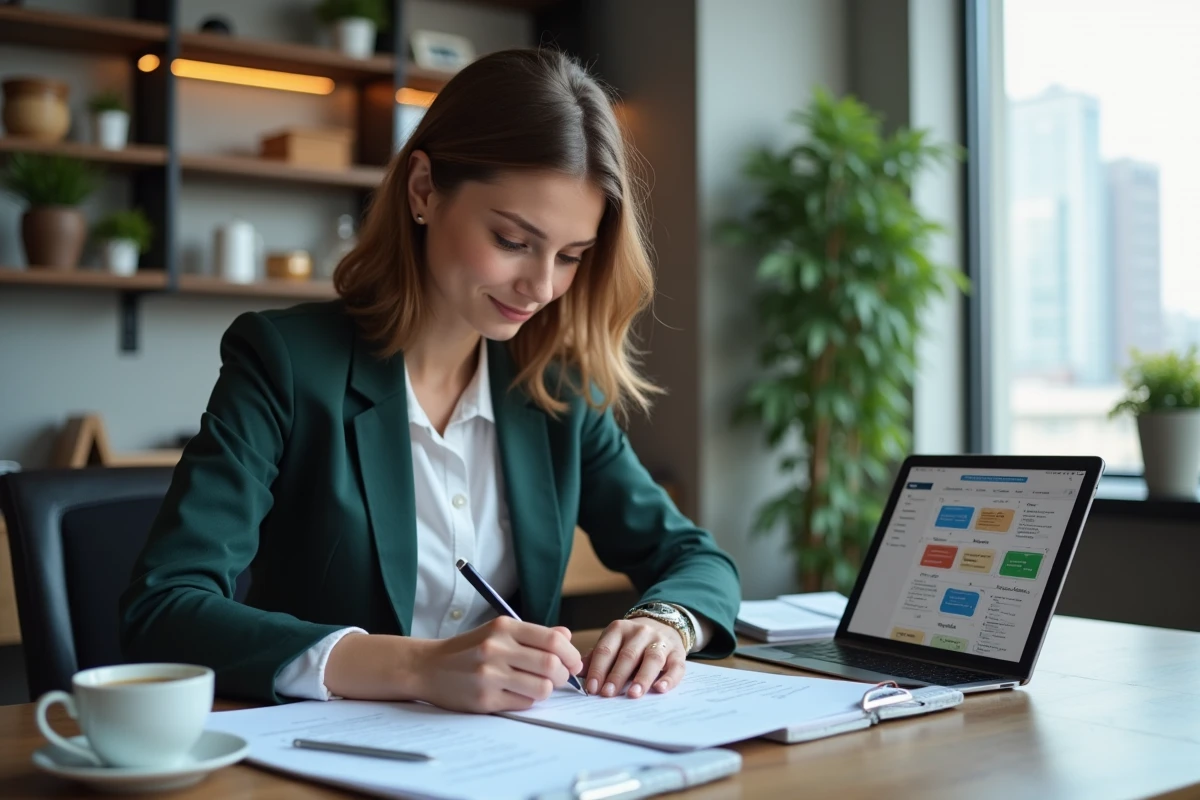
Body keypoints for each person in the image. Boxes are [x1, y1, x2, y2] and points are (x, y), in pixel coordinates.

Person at [119, 48, 740, 712]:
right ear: (423, 189)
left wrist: (666, 623)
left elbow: (696, 559)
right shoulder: (286, 362)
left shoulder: (554, 390)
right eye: (512, 240)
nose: (540, 287)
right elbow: (163, 610)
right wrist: (416, 667)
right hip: (320, 760)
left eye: (571, 257)